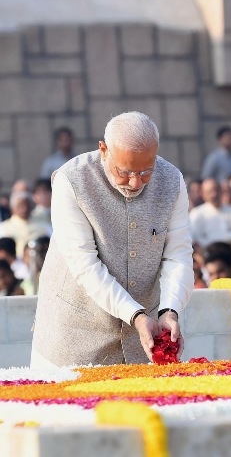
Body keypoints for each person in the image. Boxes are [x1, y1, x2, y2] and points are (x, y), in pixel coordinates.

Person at [31, 111, 193, 367]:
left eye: (146, 171)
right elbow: (85, 265)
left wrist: (170, 310)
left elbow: (178, 255)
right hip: (73, 338)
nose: (136, 182)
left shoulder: (172, 180)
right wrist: (136, 315)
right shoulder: (71, 180)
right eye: (125, 171)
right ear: (104, 150)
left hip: (144, 340)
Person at [189, 178, 231, 248]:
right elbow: (196, 238)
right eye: (209, 192)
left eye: (216, 190)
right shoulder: (196, 214)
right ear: (203, 194)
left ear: (221, 191)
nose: (214, 194)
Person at [0, 191, 52, 258]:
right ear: (13, 208)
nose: (24, 209)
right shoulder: (3, 228)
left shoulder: (43, 225)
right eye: (20, 206)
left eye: (27, 205)